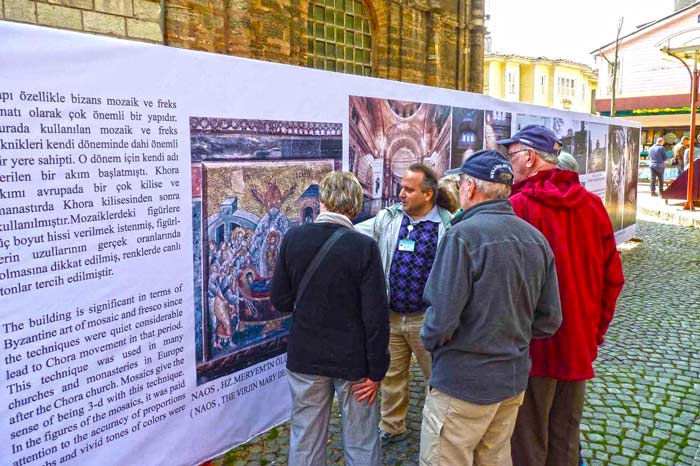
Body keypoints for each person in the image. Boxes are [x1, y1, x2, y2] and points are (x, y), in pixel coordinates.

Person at [419, 150, 562, 466]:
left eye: (460, 185)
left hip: (462, 384)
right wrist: (508, 334)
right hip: (510, 382)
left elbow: (440, 322)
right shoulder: (536, 239)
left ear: (468, 188)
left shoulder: (461, 236)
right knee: (494, 458)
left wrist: (430, 341)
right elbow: (550, 319)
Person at [497, 125, 625, 466]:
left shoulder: (518, 206)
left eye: (511, 156)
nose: (509, 163)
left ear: (530, 157)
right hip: (576, 345)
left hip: (531, 349)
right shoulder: (592, 205)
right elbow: (613, 277)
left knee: (526, 441)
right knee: (565, 439)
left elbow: (506, 288)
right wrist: (593, 333)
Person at [270, 171, 390, 466]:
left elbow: (280, 300)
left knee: (305, 438)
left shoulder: (294, 238)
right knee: (361, 441)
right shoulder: (363, 247)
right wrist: (377, 371)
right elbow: (376, 316)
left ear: (322, 201)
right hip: (354, 361)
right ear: (355, 205)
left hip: (305, 354)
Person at [356, 163, 452, 446]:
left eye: (409, 189)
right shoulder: (389, 218)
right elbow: (357, 233)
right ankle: (392, 426)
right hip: (393, 315)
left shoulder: (447, 225)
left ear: (428, 195)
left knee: (435, 378)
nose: (402, 194)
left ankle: (438, 431)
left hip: (427, 318)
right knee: (392, 375)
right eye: (402, 187)